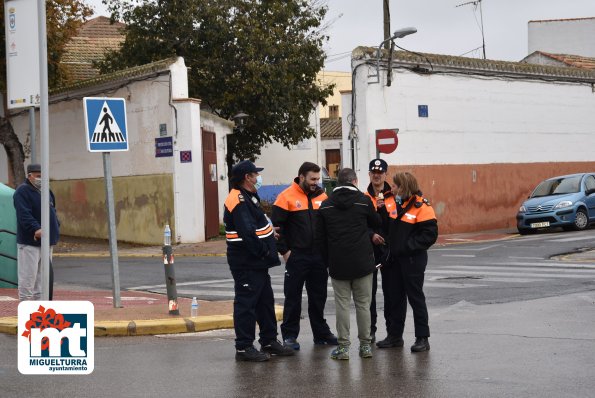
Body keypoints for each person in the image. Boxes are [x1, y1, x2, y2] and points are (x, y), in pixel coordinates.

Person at [223, 160, 295, 362]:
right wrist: (264, 250)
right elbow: (247, 233)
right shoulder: (237, 199)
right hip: (247, 262)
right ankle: (244, 347)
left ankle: (269, 341)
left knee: (265, 302)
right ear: (247, 177)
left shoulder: (249, 196)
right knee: (246, 304)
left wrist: (270, 233)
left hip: (257, 263)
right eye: (256, 174)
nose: (258, 178)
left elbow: (256, 226)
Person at [316, 168, 381, 360]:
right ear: (354, 181)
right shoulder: (364, 201)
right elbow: (376, 222)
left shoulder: (326, 205)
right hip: (362, 262)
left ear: (337, 182)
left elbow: (320, 238)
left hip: (338, 263)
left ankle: (343, 347)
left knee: (342, 305)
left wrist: (327, 261)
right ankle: (365, 346)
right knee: (363, 304)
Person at [272, 162, 337, 350]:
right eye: (312, 179)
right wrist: (285, 251)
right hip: (297, 256)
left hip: (318, 257)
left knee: (319, 296)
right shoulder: (285, 197)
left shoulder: (322, 196)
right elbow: (276, 228)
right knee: (292, 297)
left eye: (318, 179)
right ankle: (290, 335)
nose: (316, 182)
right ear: (301, 177)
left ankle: (321, 333)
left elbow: (328, 225)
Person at [381, 171, 438, 353]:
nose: (393, 188)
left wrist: (407, 246)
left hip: (413, 260)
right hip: (395, 260)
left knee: (415, 298)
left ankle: (422, 338)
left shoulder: (422, 206)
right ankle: (395, 336)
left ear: (404, 187)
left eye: (396, 186)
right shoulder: (395, 202)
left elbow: (430, 235)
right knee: (395, 299)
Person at [363, 158, 398, 345]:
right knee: (370, 293)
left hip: (390, 251)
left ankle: (392, 333)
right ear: (369, 174)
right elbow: (360, 224)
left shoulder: (394, 196)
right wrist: (371, 235)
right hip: (370, 250)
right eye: (373, 172)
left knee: (391, 292)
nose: (377, 175)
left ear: (386, 174)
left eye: (380, 172)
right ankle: (370, 330)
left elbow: (397, 222)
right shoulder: (363, 197)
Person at [13, 163, 60, 301]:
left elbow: (52, 210)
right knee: (28, 278)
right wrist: (36, 228)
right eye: (38, 176)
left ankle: (40, 313)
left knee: (42, 280)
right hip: (30, 242)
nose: (41, 179)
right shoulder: (22, 191)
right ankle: (25, 311)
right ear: (30, 176)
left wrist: (56, 225)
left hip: (47, 241)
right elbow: (24, 215)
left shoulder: (46, 191)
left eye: (43, 176)